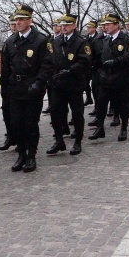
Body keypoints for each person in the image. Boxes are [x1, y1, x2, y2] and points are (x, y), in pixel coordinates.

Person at [0, 4, 54, 172]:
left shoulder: (41, 40)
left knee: (30, 124)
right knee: (16, 124)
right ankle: (21, 154)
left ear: (30, 20)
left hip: (32, 89)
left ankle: (31, 156)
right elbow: (6, 68)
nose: (18, 23)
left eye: (22, 19)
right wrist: (5, 88)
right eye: (16, 20)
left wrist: (39, 83)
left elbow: (47, 65)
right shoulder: (10, 42)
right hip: (15, 90)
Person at [46, 14, 91, 156]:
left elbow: (85, 61)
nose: (63, 27)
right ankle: (59, 140)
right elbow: (50, 59)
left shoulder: (81, 41)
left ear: (74, 25)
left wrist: (70, 70)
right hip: (58, 83)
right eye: (62, 24)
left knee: (77, 113)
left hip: (74, 83)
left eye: (67, 24)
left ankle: (78, 141)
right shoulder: (56, 41)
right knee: (55, 112)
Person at [89, 13, 129, 141]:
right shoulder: (106, 40)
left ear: (116, 25)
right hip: (106, 78)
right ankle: (100, 128)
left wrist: (116, 61)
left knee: (122, 104)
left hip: (121, 77)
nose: (106, 26)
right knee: (101, 104)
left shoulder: (125, 39)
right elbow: (100, 57)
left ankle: (124, 128)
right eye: (105, 24)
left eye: (108, 24)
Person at [0, 14, 18, 151]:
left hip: (21, 84)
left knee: (19, 116)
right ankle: (11, 136)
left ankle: (21, 139)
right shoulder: (8, 41)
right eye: (11, 24)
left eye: (15, 23)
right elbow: (4, 66)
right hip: (8, 84)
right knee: (6, 111)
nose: (13, 26)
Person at [43, 18, 62, 115]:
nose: (55, 27)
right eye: (54, 25)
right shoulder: (49, 40)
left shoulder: (62, 38)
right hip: (50, 68)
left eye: (57, 25)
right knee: (49, 89)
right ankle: (51, 106)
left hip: (59, 69)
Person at [83, 20, 98, 106]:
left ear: (94, 28)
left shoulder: (98, 37)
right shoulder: (85, 38)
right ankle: (89, 97)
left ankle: (97, 105)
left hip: (95, 64)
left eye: (90, 27)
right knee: (85, 82)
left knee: (95, 87)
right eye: (87, 27)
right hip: (87, 64)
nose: (88, 29)